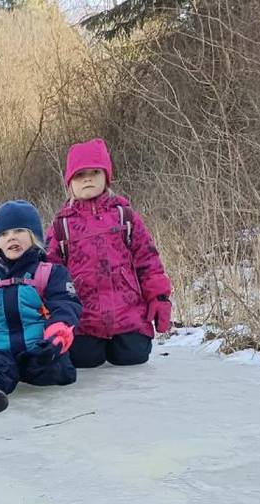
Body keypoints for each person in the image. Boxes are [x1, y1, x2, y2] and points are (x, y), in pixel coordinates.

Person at [46, 138, 173, 367]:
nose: (88, 179)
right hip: (85, 319)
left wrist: (159, 297)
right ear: (70, 182)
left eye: (95, 172)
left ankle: (125, 341)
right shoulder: (61, 225)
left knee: (134, 355)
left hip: (128, 313)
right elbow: (50, 273)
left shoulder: (125, 216)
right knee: (84, 359)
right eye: (80, 175)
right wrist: (53, 315)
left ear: (106, 176)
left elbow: (148, 259)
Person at [0, 201, 81, 416]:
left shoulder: (50, 273)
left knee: (59, 371)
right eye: (4, 234)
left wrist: (56, 340)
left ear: (34, 237)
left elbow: (65, 306)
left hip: (40, 348)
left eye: (19, 231)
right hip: (0, 351)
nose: (11, 237)